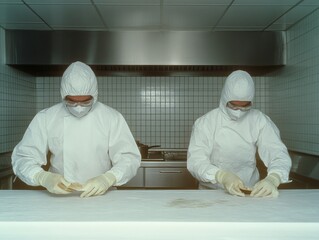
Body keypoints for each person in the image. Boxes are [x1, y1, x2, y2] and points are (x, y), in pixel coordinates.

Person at [12, 61, 141, 198]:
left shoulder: (111, 118)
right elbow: (23, 158)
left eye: (85, 102)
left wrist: (108, 178)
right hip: (58, 196)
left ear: (94, 95)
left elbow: (128, 157)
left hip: (102, 196)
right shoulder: (46, 118)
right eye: (72, 101)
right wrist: (42, 177)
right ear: (63, 96)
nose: (79, 107)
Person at [187, 70, 291, 198]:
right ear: (225, 99)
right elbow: (196, 161)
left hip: (249, 193)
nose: (239, 112)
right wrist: (221, 176)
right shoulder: (206, 122)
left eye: (244, 106)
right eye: (234, 106)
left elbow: (277, 153)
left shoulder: (259, 120)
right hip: (211, 194)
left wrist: (274, 178)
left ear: (251, 101)